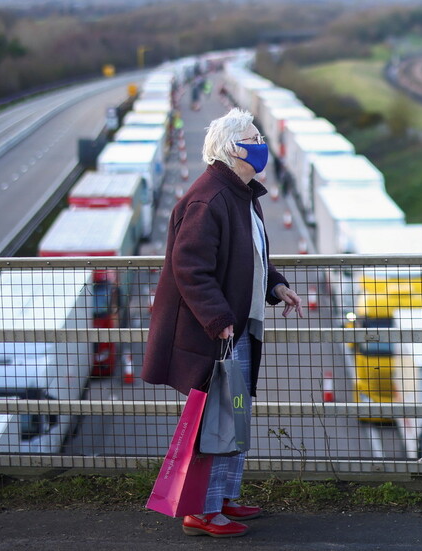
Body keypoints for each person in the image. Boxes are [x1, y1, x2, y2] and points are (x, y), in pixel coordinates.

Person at [141, 108, 304, 538]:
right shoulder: (209, 198)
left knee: (235, 416)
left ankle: (223, 498)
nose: (262, 143)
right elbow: (189, 267)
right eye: (254, 137)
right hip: (215, 337)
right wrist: (218, 320)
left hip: (236, 331)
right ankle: (202, 511)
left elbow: (248, 258)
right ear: (233, 149)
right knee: (215, 423)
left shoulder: (241, 194)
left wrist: (276, 287)